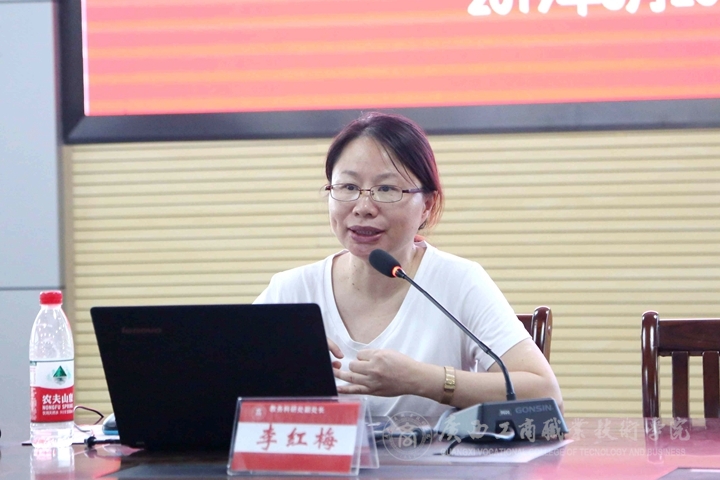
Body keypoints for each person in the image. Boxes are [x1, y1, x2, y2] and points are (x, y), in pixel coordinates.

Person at [254, 112, 562, 418]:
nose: (363, 207)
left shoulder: (458, 282)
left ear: (427, 205)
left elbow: (545, 393)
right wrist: (279, 365)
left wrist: (421, 380)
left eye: (387, 189)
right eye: (348, 187)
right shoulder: (291, 290)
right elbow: (229, 379)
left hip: (432, 453)